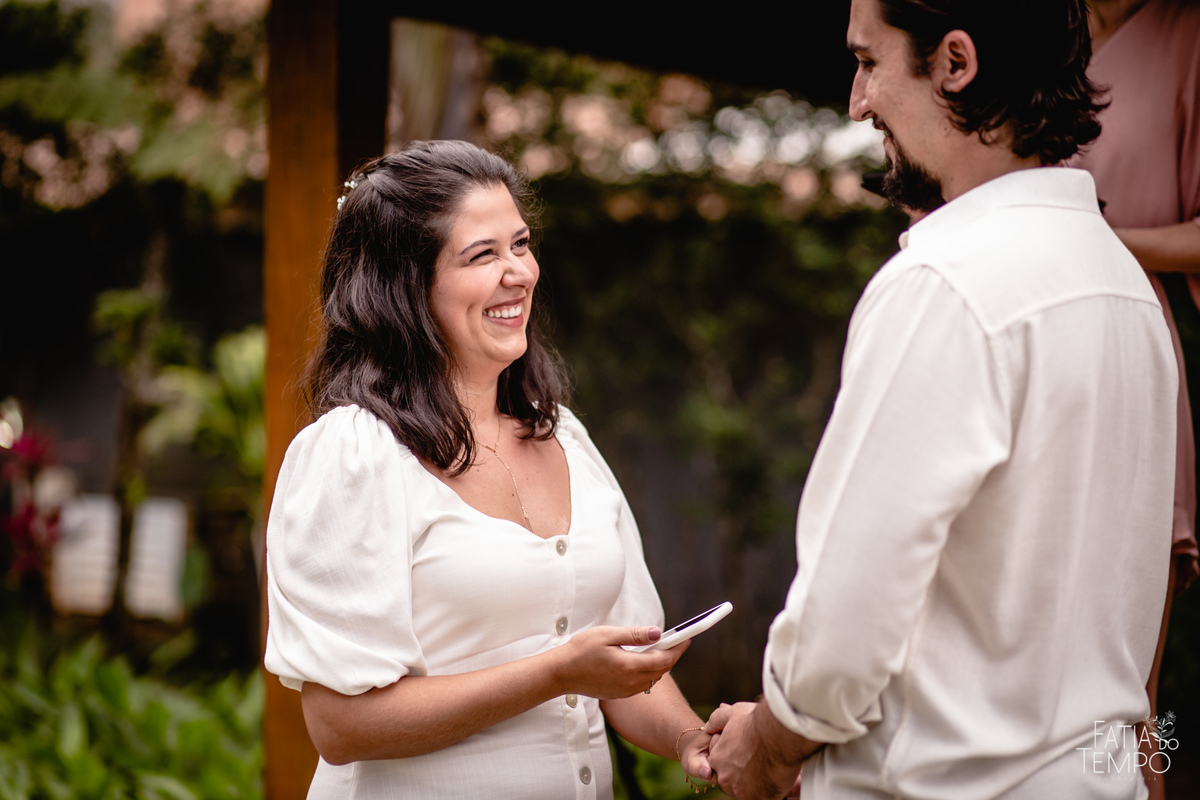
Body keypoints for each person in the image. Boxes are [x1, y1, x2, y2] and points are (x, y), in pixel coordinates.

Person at [704, 1, 1178, 798]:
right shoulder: (1124, 287)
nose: (856, 102)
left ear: (956, 63)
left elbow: (845, 622)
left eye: (868, 62)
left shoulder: (944, 285)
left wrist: (771, 740)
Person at [263, 140, 713, 799]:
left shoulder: (565, 437)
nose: (519, 273)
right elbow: (341, 723)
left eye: (521, 245)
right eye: (483, 255)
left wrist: (689, 740)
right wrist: (556, 673)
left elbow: (625, 668)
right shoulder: (354, 455)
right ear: (407, 286)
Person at [1071, 4, 1200, 791]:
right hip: (1019, 341)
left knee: (1127, 707)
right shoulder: (1025, 23)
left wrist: (1090, 239)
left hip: (1128, 346)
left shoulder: (1187, 33)